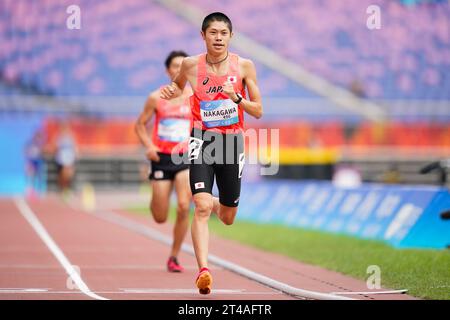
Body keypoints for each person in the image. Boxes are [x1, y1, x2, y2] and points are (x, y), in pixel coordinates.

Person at [160, 12, 263, 294]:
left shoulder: (244, 67)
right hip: (202, 140)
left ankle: (219, 204)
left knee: (227, 217)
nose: (218, 38)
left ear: (231, 36)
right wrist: (172, 91)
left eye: (223, 33)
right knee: (201, 206)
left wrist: (237, 98)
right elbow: (178, 85)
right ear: (203, 36)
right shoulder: (191, 65)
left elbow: (258, 110)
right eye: (213, 33)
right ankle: (203, 270)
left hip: (231, 144)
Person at [135, 51, 192, 273]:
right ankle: (157, 195)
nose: (179, 70)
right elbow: (139, 125)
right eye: (175, 66)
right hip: (161, 158)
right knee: (159, 217)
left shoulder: (195, 97)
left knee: (184, 205)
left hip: (185, 156)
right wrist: (148, 146)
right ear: (168, 71)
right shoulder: (155, 97)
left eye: (183, 66)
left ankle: (174, 256)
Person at [54, 121, 78, 196]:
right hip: (61, 158)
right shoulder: (59, 137)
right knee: (62, 175)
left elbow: (74, 147)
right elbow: (56, 147)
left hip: (69, 158)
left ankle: (67, 189)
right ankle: (62, 189)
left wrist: (75, 154)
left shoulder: (70, 137)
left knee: (69, 174)